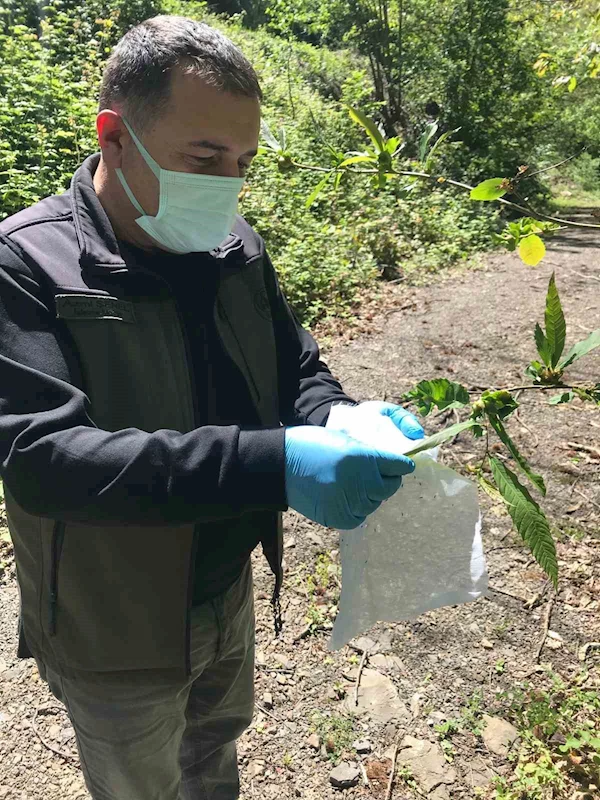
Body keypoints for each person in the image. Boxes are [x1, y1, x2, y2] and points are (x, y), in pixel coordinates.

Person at [0, 14, 424, 800]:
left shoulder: (235, 246)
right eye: (204, 158)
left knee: (213, 756)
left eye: (243, 162)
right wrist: (275, 462)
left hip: (225, 585)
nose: (226, 185)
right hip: (113, 619)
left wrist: (335, 415)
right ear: (114, 135)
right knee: (140, 783)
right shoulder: (25, 264)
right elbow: (42, 461)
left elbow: (292, 362)